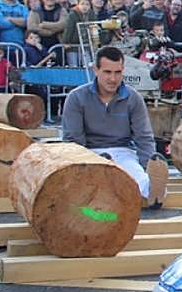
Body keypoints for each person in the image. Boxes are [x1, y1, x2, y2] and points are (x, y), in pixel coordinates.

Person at [61, 45, 162, 201]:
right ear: (96, 70)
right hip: (90, 153)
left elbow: (144, 137)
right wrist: (83, 165)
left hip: (124, 152)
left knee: (140, 180)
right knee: (94, 186)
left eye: (118, 72)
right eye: (107, 72)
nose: (113, 79)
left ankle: (153, 193)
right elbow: (73, 141)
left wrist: (148, 166)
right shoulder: (76, 98)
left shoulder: (133, 98)